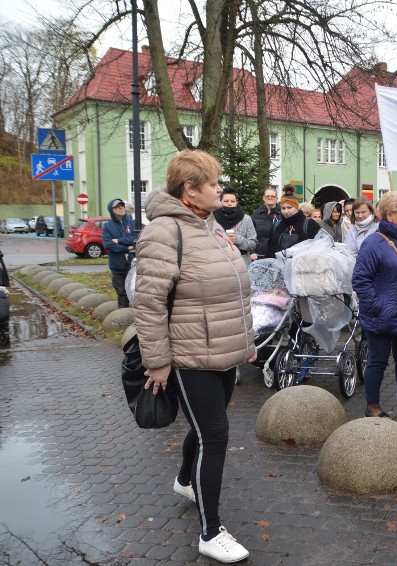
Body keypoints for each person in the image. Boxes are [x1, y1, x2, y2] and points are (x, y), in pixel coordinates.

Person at [133, 149, 256, 563]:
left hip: (222, 349)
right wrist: (157, 361)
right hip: (189, 354)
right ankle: (210, 531)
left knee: (206, 430)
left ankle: (186, 480)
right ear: (190, 189)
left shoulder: (209, 226)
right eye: (213, 184)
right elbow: (148, 304)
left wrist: (248, 341)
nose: (220, 190)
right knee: (215, 435)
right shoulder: (165, 232)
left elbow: (236, 293)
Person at [352, 192, 397, 422]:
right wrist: (377, 306)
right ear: (389, 216)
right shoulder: (373, 243)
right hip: (381, 317)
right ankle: (372, 406)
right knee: (378, 362)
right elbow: (360, 280)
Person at [102, 198, 136, 308]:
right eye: (117, 207)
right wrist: (127, 248)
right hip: (117, 266)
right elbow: (108, 244)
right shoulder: (107, 226)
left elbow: (137, 238)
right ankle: (123, 317)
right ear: (111, 210)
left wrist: (120, 240)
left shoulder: (132, 223)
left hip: (133, 264)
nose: (121, 208)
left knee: (136, 291)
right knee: (122, 293)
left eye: (122, 206)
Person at [213, 186, 257, 266]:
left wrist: (238, 239)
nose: (229, 203)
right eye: (226, 201)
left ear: (236, 202)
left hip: (242, 263)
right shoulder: (213, 218)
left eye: (232, 201)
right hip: (219, 262)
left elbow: (253, 244)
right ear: (220, 201)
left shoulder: (246, 219)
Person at [250, 187, 281, 260]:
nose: (270, 198)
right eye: (267, 196)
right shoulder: (256, 214)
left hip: (277, 255)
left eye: (272, 196)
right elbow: (250, 235)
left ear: (276, 198)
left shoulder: (282, 214)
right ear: (263, 198)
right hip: (258, 255)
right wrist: (252, 252)